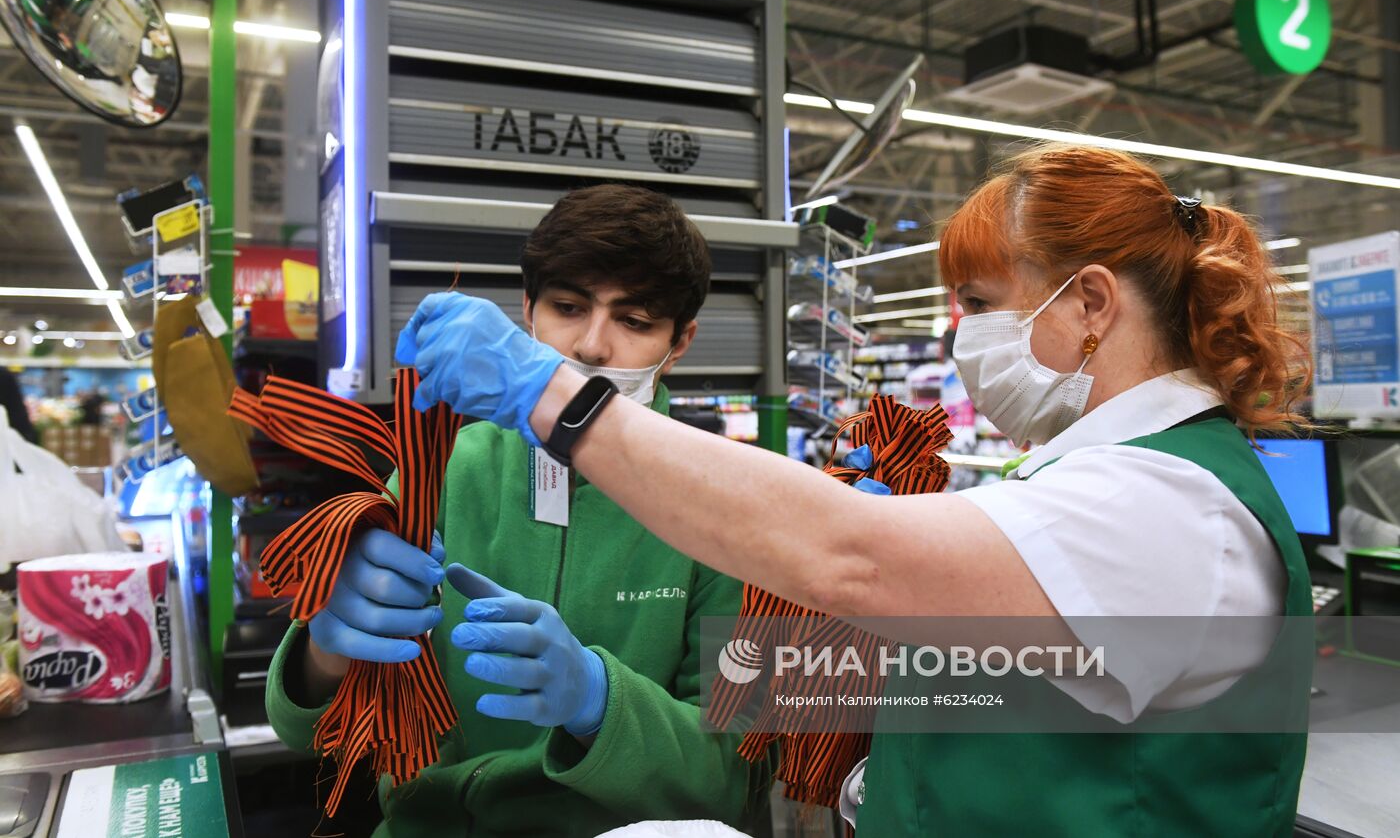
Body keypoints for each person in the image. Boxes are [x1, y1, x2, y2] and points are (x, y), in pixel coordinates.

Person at [397, 146, 1314, 836]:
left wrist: (551, 396)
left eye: (981, 300)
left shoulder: (1169, 506)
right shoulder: (1094, 481)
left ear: (1091, 304)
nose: (966, 334)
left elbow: (843, 557)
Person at [265, 185, 771, 837]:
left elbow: (738, 773)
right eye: (568, 307)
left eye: (635, 321)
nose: (592, 346)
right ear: (526, 312)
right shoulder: (439, 469)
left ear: (680, 343)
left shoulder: (728, 508)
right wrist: (324, 649)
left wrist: (599, 701)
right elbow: (298, 727)